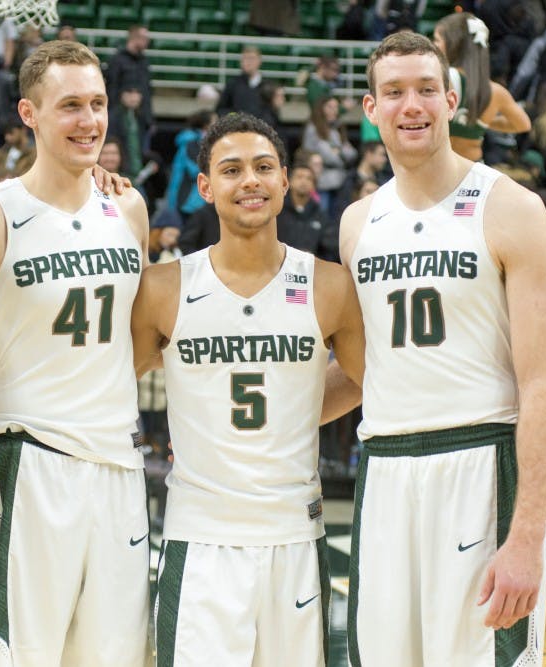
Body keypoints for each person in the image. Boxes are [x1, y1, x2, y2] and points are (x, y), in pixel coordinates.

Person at [341, 31, 546, 665]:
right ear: (371, 108)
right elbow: (361, 369)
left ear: (451, 98)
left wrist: (527, 537)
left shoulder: (512, 209)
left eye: (425, 90)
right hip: (383, 468)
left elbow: (543, 385)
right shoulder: (357, 223)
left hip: (480, 466)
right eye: (394, 92)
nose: (411, 105)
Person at [0, 40, 151, 666]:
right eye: (71, 107)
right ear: (29, 113)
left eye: (98, 104)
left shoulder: (128, 207)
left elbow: (132, 337)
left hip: (118, 461)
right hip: (26, 459)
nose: (89, 121)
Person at [130, 111, 365, 666]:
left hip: (294, 536)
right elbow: (99, 380)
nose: (250, 181)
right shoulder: (163, 288)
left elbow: (367, 379)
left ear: (286, 179)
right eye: (231, 170)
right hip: (201, 538)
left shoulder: (330, 286)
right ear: (206, 188)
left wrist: (294, 409)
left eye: (263, 167)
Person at [433, 13, 531, 162]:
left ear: (454, 43)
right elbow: (522, 124)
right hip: (474, 172)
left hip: (437, 169)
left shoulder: (439, 80)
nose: (434, 45)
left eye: (437, 40)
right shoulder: (495, 91)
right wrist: (485, 122)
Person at [216, 45, 268, 118]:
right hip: (238, 127)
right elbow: (221, 109)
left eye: (252, 58)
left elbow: (272, 112)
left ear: (259, 61)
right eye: (245, 59)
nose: (248, 62)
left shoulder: (268, 85)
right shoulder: (232, 84)